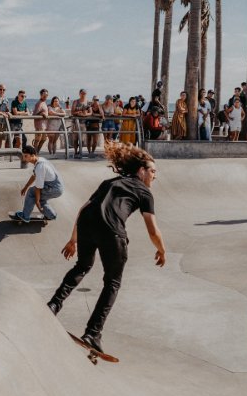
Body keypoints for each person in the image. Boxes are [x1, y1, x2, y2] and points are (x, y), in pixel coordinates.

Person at [46, 143, 166, 353]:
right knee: (112, 283)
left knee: (82, 265)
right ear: (141, 171)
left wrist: (73, 239)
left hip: (87, 223)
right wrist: (162, 250)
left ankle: (54, 305)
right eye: (153, 171)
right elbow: (153, 230)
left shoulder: (109, 182)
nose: (154, 176)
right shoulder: (144, 192)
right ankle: (93, 333)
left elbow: (85, 208)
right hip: (111, 231)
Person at [13, 144, 64, 222]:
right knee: (40, 198)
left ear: (33, 155)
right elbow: (34, 176)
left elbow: (38, 188)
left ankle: (25, 216)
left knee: (32, 193)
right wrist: (25, 187)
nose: (24, 158)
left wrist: (37, 202)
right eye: (23, 156)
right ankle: (51, 215)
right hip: (56, 186)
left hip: (54, 188)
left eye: (26, 156)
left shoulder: (40, 167)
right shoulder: (40, 160)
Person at [70, 89, 92, 156]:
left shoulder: (88, 102)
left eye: (84, 93)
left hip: (83, 123)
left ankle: (80, 151)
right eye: (82, 93)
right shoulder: (75, 102)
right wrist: (78, 113)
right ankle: (75, 152)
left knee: (82, 140)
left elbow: (90, 112)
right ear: (79, 94)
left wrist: (85, 115)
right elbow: (72, 112)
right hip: (75, 123)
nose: (83, 95)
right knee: (75, 139)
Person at [33, 88, 50, 153]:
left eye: (47, 95)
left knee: (44, 139)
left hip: (44, 125)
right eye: (44, 95)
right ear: (41, 95)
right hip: (39, 125)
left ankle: (37, 152)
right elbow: (34, 114)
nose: (45, 96)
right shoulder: (39, 103)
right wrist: (41, 113)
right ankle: (34, 153)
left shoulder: (44, 103)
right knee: (37, 140)